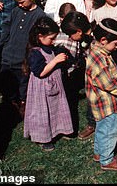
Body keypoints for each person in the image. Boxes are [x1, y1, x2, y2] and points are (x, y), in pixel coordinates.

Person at [23, 16, 73, 151]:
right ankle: (43, 138)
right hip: (41, 88)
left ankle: (59, 129)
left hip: (54, 85)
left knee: (57, 108)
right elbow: (41, 72)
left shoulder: (50, 48)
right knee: (42, 112)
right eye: (51, 38)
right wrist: (55, 61)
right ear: (40, 36)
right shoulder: (35, 52)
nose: (53, 41)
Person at [85, 18, 117, 171]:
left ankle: (99, 153)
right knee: (110, 131)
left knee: (102, 128)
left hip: (102, 102)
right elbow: (107, 82)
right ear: (103, 40)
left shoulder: (98, 52)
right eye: (116, 43)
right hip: (106, 103)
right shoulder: (98, 58)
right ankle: (107, 160)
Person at [0, 0, 46, 117]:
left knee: (23, 83)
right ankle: (11, 102)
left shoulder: (39, 15)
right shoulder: (16, 11)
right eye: (17, 2)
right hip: (8, 55)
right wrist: (5, 43)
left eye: (22, 2)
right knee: (7, 81)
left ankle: (24, 104)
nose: (19, 5)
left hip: (24, 57)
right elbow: (7, 26)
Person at [59, 11, 93, 138]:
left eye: (69, 34)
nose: (68, 36)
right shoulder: (73, 39)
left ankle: (92, 123)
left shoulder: (90, 38)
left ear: (79, 31)